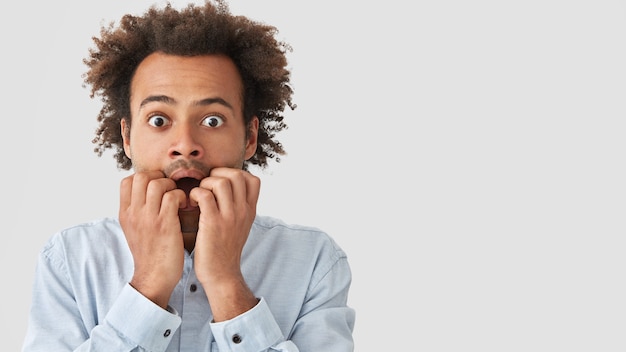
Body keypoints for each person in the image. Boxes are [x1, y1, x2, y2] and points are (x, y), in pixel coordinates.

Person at [22, 1, 355, 351]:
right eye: (159, 120)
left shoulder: (316, 260)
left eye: (212, 120)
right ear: (127, 137)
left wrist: (227, 282)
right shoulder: (69, 259)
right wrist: (149, 286)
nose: (185, 145)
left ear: (250, 137)